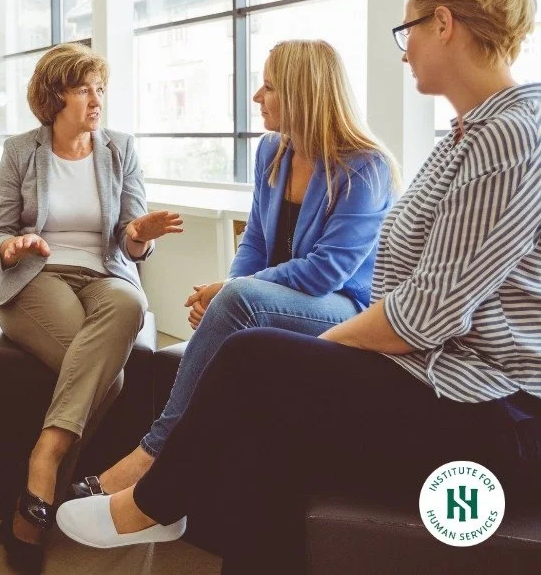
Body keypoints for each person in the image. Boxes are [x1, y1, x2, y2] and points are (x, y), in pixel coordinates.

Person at [57, 0, 541, 574]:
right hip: (437, 379)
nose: (406, 50)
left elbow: (423, 314)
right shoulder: (466, 137)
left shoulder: (508, 134)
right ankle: (164, 495)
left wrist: (318, 350)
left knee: (253, 360)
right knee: (266, 438)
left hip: (489, 408)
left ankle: (153, 496)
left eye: (409, 30)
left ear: (443, 23)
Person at [76, 39, 398, 498]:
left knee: (237, 300)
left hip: (345, 310)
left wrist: (229, 291)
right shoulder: (272, 152)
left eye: (268, 87)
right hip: (277, 300)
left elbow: (327, 272)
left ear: (301, 94)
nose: (256, 97)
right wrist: (228, 291)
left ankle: (150, 456)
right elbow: (256, 241)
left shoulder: (365, 168)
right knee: (234, 302)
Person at [0, 43, 182, 572]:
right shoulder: (22, 150)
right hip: (37, 276)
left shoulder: (120, 148)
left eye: (100, 88)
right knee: (105, 378)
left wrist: (139, 236)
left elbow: (132, 237)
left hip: (104, 275)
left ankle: (39, 470)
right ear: (55, 96)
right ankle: (51, 487)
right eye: (84, 88)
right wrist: (10, 248)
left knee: (128, 303)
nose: (96, 99)